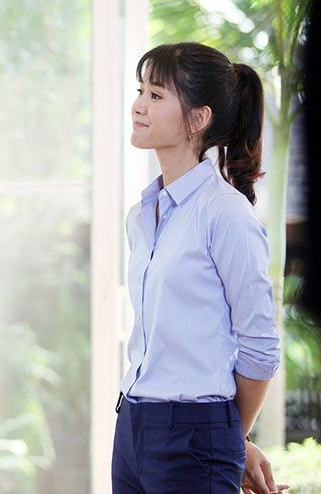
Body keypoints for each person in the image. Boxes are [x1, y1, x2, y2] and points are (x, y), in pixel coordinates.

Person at [112, 42, 288, 494]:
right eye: (140, 90)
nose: (139, 106)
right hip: (132, 426)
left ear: (198, 118)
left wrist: (229, 438)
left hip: (192, 435)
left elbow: (260, 346)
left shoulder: (224, 212)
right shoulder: (142, 215)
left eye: (156, 95)